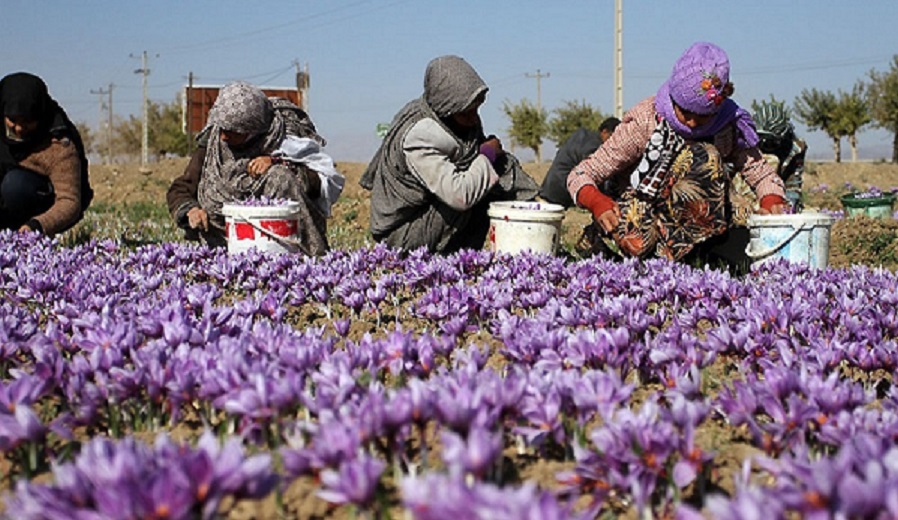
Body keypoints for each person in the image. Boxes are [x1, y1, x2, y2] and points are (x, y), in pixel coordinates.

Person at [567, 42, 786, 265]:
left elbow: (762, 174)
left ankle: (694, 254)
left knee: (741, 217)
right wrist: (596, 201)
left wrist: (772, 199)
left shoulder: (728, 124)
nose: (691, 124)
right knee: (640, 240)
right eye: (685, 113)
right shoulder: (646, 120)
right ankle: (601, 240)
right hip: (644, 209)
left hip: (701, 213)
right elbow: (580, 175)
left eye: (702, 117)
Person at [360, 55, 539, 254]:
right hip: (402, 234)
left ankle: (535, 235)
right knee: (480, 185)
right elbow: (460, 194)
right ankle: (458, 260)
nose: (474, 119)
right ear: (446, 106)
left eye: (476, 109)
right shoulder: (421, 135)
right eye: (466, 112)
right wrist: (487, 153)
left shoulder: (457, 118)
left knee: (499, 168)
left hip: (429, 212)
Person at [166, 81, 344, 255]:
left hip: (282, 245)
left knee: (279, 176)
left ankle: (308, 257)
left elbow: (318, 183)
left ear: (251, 129)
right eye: (222, 129)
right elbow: (181, 188)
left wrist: (278, 161)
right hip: (221, 244)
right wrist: (191, 210)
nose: (223, 137)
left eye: (232, 132)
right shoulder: (212, 145)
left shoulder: (283, 140)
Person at [0, 72, 92, 235]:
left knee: (15, 185)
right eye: (13, 120)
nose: (20, 128)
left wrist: (37, 226)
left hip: (39, 203)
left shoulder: (58, 143)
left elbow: (69, 201)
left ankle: (20, 238)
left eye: (28, 121)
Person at [540, 116, 620, 208]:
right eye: (612, 138)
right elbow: (593, 171)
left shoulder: (583, 136)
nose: (613, 143)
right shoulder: (594, 146)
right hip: (562, 187)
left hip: (552, 184)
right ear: (604, 132)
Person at [752, 99, 807, 212]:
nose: (766, 144)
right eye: (761, 138)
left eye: (771, 140)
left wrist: (789, 204)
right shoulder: (746, 144)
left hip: (778, 197)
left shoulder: (795, 148)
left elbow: (793, 182)